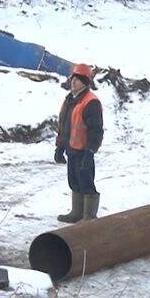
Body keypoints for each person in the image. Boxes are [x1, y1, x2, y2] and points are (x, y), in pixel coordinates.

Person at [55, 64, 104, 222]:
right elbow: (63, 125)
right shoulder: (70, 100)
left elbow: (96, 130)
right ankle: (77, 213)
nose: (73, 82)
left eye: (78, 80)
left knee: (86, 182)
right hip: (71, 149)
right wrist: (60, 147)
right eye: (73, 79)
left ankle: (89, 216)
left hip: (84, 151)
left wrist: (90, 152)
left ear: (85, 82)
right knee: (74, 181)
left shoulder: (91, 102)